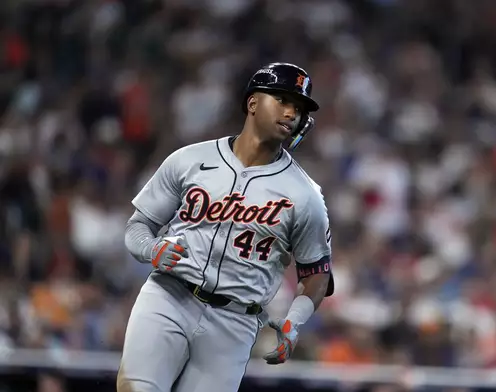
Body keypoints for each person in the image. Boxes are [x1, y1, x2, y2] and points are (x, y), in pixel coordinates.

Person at [118, 63, 334, 392]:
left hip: (236, 322)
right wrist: (152, 249)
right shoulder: (189, 159)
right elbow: (139, 227)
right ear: (252, 103)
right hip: (169, 296)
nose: (291, 112)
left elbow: (316, 274)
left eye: (299, 108)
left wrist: (295, 320)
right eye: (282, 100)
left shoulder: (306, 196)